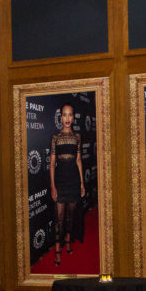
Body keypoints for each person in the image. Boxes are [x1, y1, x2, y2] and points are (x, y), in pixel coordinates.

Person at [49, 101, 85, 266]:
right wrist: (53, 186)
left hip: (74, 180)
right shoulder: (55, 138)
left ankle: (68, 241)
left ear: (73, 117)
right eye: (64, 115)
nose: (67, 118)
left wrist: (82, 183)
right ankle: (58, 249)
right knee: (59, 217)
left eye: (70, 115)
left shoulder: (77, 137)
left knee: (70, 215)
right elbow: (52, 164)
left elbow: (78, 160)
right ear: (60, 117)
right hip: (60, 180)